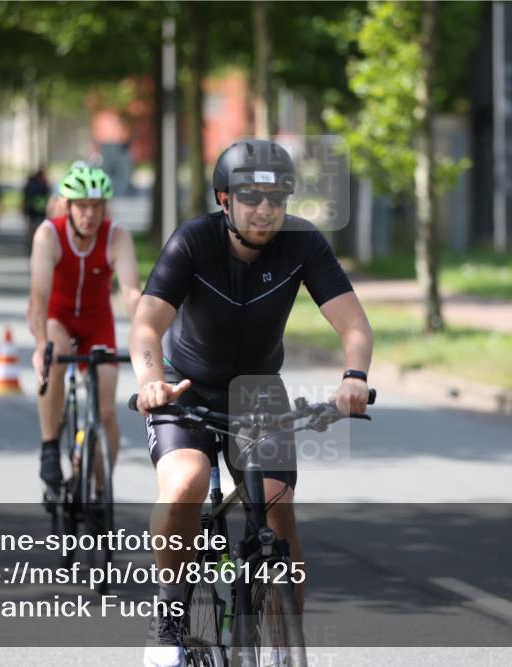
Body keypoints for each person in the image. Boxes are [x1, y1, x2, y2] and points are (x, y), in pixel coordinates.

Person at [129, 139, 374, 667]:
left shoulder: (303, 244)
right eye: (251, 197)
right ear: (224, 199)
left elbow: (353, 324)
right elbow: (147, 323)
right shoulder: (193, 242)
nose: (266, 209)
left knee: (278, 508)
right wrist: (151, 381)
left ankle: (289, 644)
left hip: (258, 391)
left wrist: (354, 376)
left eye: (277, 198)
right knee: (187, 483)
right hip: (183, 384)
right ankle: (167, 624)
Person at [29, 165, 142, 501]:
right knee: (54, 357)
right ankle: (50, 448)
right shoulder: (49, 234)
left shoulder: (117, 236)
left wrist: (144, 334)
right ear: (67, 205)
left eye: (96, 206)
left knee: (106, 411)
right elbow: (39, 297)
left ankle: (102, 487)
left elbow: (132, 293)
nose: (89, 214)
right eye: (81, 205)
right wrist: (40, 346)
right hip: (57, 317)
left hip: (97, 322)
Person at [22, 167, 51, 252]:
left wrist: (24, 212)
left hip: (31, 212)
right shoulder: (43, 185)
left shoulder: (29, 185)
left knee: (32, 229)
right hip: (41, 212)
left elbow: (25, 199)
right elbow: (47, 198)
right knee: (40, 229)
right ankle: (38, 246)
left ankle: (32, 245)